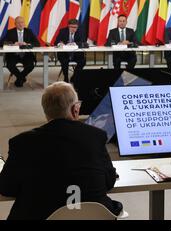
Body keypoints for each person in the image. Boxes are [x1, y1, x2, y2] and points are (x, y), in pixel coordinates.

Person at [0, 82, 122, 220]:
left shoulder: (22, 142)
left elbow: (6, 188)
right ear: (75, 109)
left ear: (46, 111)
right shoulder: (96, 136)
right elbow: (109, 180)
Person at [0, 16, 40, 87]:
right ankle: (21, 78)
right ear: (15, 24)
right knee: (10, 65)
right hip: (14, 55)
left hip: (26, 55)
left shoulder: (29, 31)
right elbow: (1, 43)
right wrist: (12, 44)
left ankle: (19, 78)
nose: (21, 24)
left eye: (22, 22)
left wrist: (27, 44)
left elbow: (37, 43)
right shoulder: (10, 32)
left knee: (30, 65)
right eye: (18, 23)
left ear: (24, 23)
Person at [55, 19, 86, 83]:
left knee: (83, 61)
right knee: (64, 61)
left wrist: (75, 43)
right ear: (68, 26)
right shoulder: (63, 31)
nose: (74, 29)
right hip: (65, 54)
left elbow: (84, 42)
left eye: (75, 27)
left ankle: (74, 77)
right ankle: (66, 78)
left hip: (76, 54)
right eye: (72, 27)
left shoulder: (80, 31)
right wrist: (60, 44)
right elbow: (56, 42)